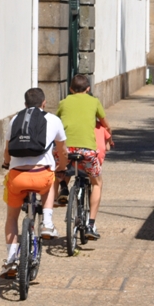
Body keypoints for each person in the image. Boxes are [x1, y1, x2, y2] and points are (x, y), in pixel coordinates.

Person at [0, 87, 67, 278]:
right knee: (49, 182)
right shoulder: (53, 120)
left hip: (17, 178)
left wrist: (6, 163)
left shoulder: (15, 120)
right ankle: (46, 222)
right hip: (41, 177)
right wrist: (61, 166)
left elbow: (7, 151)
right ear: (44, 103)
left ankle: (12, 260)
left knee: (12, 218)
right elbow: (62, 150)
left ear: (25, 105)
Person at [54, 74, 107, 240]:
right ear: (88, 89)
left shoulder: (64, 102)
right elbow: (104, 123)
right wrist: (109, 134)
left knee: (60, 169)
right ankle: (91, 224)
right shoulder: (94, 101)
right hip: (87, 151)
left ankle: (63, 188)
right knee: (97, 182)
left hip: (66, 150)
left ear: (70, 89)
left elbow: (57, 122)